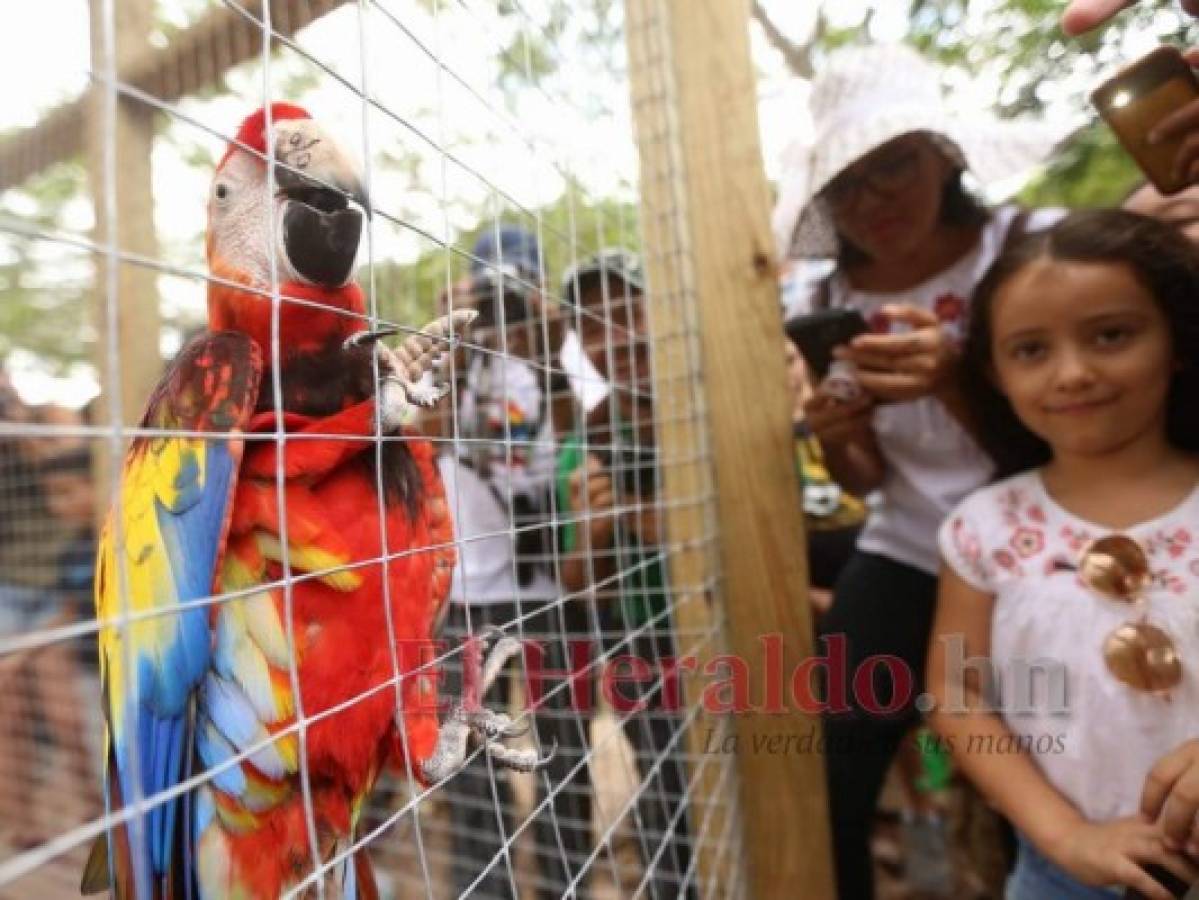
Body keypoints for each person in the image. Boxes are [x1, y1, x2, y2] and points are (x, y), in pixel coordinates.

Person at [772, 43, 1064, 898]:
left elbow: (1072, 434)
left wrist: (956, 377)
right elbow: (862, 483)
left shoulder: (1025, 250)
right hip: (906, 547)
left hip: (1042, 548)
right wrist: (835, 432)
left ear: (942, 153)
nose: (870, 201)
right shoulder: (822, 302)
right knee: (827, 765)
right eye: (844, 185)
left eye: (890, 165)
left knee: (1049, 764)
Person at [929, 209, 1199, 899]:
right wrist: (1063, 835)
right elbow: (955, 693)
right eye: (1030, 350)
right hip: (1060, 875)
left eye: (1110, 335)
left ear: (1176, 340)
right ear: (991, 372)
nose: (1072, 373)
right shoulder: (984, 529)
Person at [432, 224, 590, 899]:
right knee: (467, 760)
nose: (504, 310)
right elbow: (424, 434)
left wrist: (550, 347)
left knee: (563, 751)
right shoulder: (453, 362)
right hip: (467, 594)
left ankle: (565, 881)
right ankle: (485, 887)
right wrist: (454, 346)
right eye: (491, 292)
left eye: (516, 291)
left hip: (551, 588)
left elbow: (591, 423)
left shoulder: (565, 356)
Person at [556, 248, 696, 900]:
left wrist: (641, 518)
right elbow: (578, 581)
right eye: (589, 325)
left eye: (624, 311)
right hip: (643, 645)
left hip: (736, 638)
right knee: (668, 795)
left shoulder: (710, 405)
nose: (612, 338)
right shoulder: (583, 441)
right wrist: (596, 531)